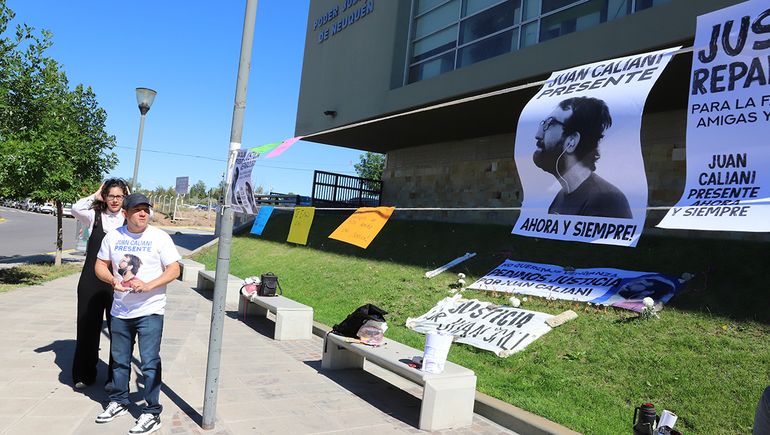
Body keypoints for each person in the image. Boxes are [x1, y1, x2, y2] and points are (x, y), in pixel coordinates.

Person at [93, 193, 181, 435]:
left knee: (150, 363)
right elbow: (100, 264)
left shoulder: (159, 237)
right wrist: (113, 280)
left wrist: (150, 285)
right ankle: (120, 401)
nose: (143, 214)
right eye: (137, 210)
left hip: (150, 310)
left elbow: (174, 269)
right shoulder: (113, 236)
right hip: (120, 310)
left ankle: (152, 413)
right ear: (125, 213)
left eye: (146, 209)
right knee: (120, 361)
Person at [71, 178, 129, 390]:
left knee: (119, 331)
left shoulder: (127, 218)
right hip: (90, 282)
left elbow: (148, 215)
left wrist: (129, 201)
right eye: (110, 195)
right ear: (104, 196)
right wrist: (95, 195)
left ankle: (115, 379)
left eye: (119, 196)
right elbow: (75, 208)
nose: (114, 200)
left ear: (124, 197)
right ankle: (84, 374)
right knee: (87, 328)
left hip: (118, 284)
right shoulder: (93, 216)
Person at [532, 96, 632, 219]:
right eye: (543, 124)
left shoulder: (606, 200)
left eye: (550, 124)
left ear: (571, 141)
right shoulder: (561, 196)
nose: (538, 134)